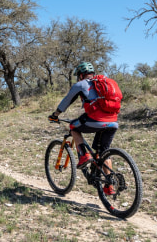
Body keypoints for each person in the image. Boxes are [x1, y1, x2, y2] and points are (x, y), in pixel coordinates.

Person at [48, 62, 119, 195]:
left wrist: (55, 115)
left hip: (96, 120)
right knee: (103, 152)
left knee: (74, 127)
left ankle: (83, 156)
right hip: (113, 122)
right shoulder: (105, 83)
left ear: (81, 75)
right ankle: (109, 185)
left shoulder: (80, 84)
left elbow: (66, 101)